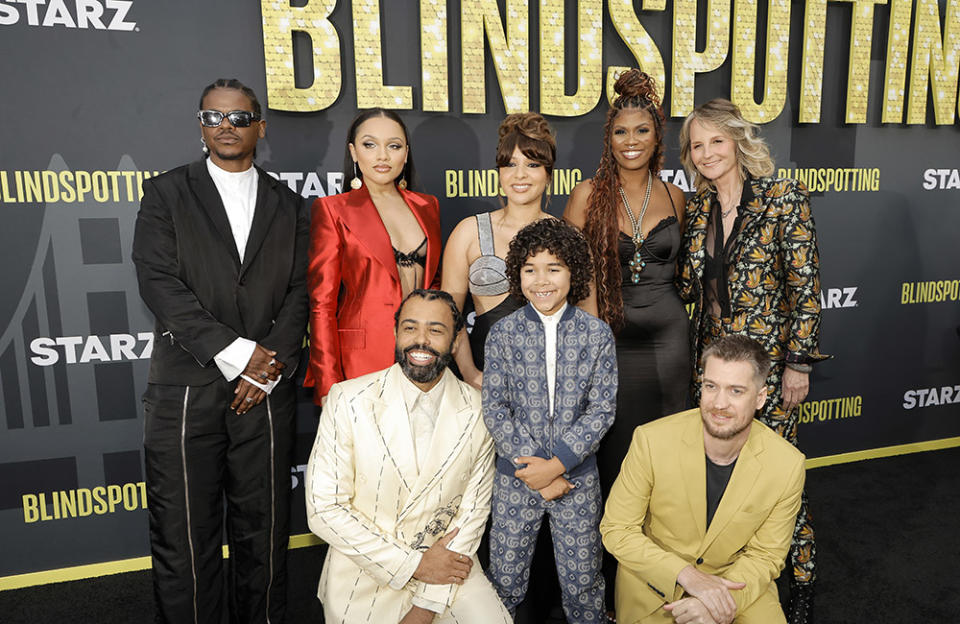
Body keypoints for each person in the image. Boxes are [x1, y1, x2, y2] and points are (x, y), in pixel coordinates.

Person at [132, 78, 308, 623]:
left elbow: (302, 290)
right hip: (186, 387)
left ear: (260, 124)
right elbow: (158, 282)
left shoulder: (292, 204)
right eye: (213, 118)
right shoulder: (166, 193)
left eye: (237, 117)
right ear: (200, 125)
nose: (225, 127)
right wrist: (237, 354)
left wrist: (266, 368)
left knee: (267, 532)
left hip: (267, 391)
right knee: (184, 535)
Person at [676, 98, 828, 623]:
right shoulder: (697, 209)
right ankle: (726, 572)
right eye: (697, 145)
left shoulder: (783, 197)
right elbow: (686, 287)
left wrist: (798, 365)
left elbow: (805, 290)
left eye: (716, 140)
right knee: (719, 474)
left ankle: (803, 579)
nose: (707, 152)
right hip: (714, 368)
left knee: (780, 477)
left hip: (765, 371)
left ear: (738, 141)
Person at [305, 289, 512, 624]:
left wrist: (424, 607)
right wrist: (413, 564)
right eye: (410, 328)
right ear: (395, 333)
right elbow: (323, 509)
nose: (421, 341)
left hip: (449, 569)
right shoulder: (349, 400)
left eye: (436, 330)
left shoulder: (478, 411)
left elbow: (471, 517)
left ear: (457, 340)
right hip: (364, 570)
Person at [564, 68, 691, 610]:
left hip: (668, 339)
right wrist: (593, 346)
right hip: (609, 340)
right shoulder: (587, 194)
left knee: (669, 458)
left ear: (657, 137)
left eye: (642, 131)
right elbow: (572, 276)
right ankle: (618, 582)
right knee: (615, 461)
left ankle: (669, 575)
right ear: (608, 139)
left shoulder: (677, 195)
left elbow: (690, 271)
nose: (631, 141)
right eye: (621, 132)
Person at [600, 335, 805, 624]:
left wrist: (720, 602)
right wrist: (687, 577)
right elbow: (617, 529)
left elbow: (766, 555)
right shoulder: (651, 440)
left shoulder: (787, 464)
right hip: (655, 584)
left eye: (736, 391)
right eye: (711, 387)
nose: (719, 403)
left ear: (760, 398)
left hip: (737, 585)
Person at [483, 218, 618, 623]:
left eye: (554, 268)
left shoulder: (596, 336)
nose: (542, 280)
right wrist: (537, 471)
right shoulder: (502, 334)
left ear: (573, 272)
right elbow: (495, 408)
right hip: (515, 479)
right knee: (504, 580)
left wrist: (558, 465)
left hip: (576, 479)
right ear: (516, 274)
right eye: (530, 269)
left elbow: (602, 409)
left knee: (583, 583)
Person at [305, 108, 442, 404]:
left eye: (393, 146)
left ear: (405, 154)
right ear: (354, 152)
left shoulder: (427, 206)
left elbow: (436, 285)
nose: (383, 156)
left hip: (423, 354)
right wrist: (328, 385)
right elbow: (322, 305)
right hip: (361, 360)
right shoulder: (333, 210)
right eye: (370, 145)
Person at [442, 112, 558, 388]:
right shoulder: (468, 232)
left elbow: (587, 322)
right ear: (499, 173)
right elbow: (448, 317)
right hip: (482, 381)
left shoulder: (567, 237)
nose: (519, 175)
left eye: (532, 164)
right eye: (509, 164)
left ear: (548, 174)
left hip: (549, 385)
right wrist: (470, 374)